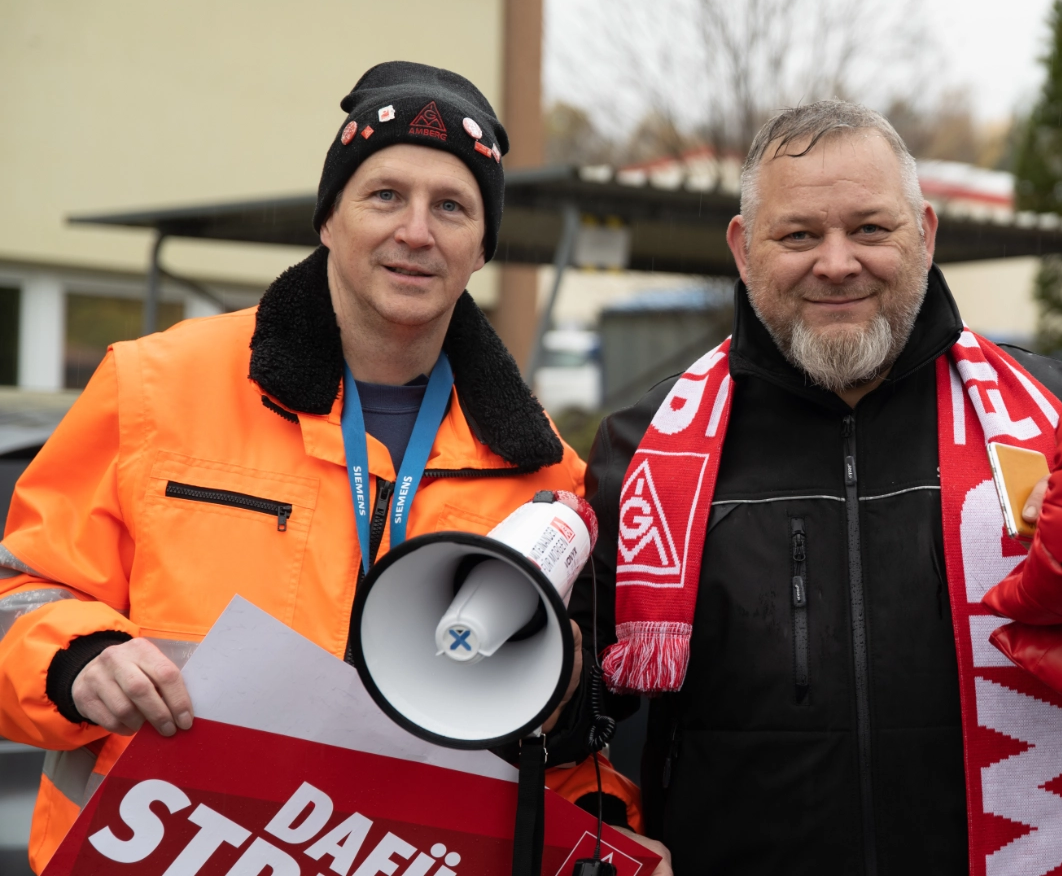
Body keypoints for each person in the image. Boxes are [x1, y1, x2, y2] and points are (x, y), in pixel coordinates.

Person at [547, 101, 1062, 876]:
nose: (837, 262)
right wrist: (587, 778)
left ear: (927, 234)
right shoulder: (644, 449)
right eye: (799, 234)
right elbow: (572, 723)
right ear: (744, 250)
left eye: (871, 229)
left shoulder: (1056, 421)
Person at [0, 62, 652, 873]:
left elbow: (569, 751)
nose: (416, 231)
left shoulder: (548, 480)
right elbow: (21, 590)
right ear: (329, 220)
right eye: (384, 196)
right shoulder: (154, 385)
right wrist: (75, 656)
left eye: (451, 206)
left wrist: (599, 818)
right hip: (155, 849)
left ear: (481, 247)